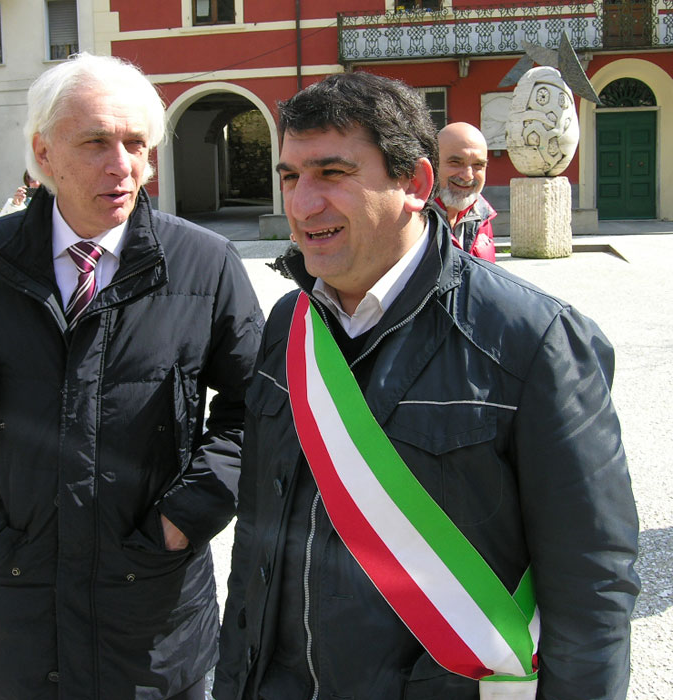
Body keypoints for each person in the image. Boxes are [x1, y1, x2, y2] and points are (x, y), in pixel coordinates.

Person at [214, 73, 639, 700]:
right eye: (289, 176)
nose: (301, 205)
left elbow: (592, 581)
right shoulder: (287, 325)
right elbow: (256, 542)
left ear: (414, 184)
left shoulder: (535, 340)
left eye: (333, 173)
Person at [0, 52, 264, 700]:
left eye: (136, 143)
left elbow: (260, 408)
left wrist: (182, 520)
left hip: (154, 613)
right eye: (97, 141)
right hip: (22, 605)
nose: (123, 165)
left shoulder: (204, 263)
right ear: (44, 154)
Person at [435, 121, 497, 262]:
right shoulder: (409, 220)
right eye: (456, 163)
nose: (468, 175)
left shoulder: (483, 217)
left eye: (478, 165)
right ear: (432, 163)